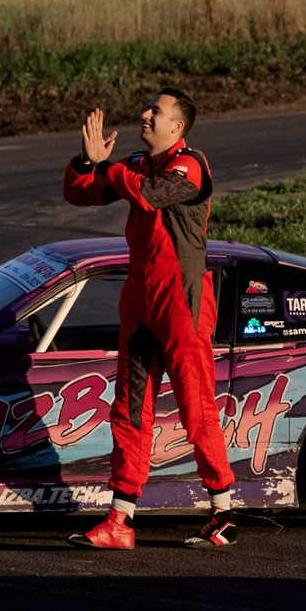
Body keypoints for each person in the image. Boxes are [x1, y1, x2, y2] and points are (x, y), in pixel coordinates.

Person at [61, 90, 240, 549]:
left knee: (195, 408)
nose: (144, 114)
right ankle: (120, 521)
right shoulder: (139, 162)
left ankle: (223, 509)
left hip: (182, 302)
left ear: (177, 127)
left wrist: (110, 169)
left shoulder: (190, 165)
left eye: (154, 111)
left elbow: (147, 194)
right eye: (148, 108)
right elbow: (78, 193)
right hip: (139, 301)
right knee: (127, 409)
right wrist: (87, 163)